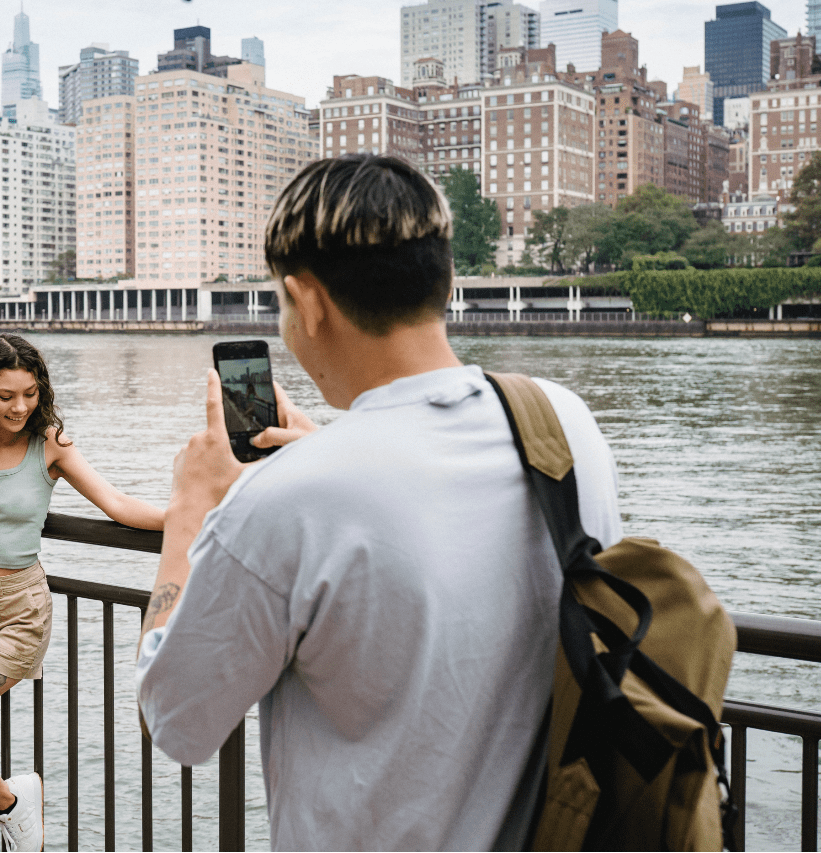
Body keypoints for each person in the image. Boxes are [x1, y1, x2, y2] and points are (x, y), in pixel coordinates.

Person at [134, 155, 624, 851]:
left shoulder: (287, 498)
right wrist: (333, 450)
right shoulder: (564, 425)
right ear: (445, 279)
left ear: (307, 302)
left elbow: (174, 720)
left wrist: (190, 515)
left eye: (280, 303)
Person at [0, 333, 164, 853]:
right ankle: (6, 804)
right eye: (4, 396)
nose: (20, 407)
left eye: (29, 393)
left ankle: (13, 802)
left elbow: (116, 504)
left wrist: (197, 515)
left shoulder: (49, 444)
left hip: (17, 613)